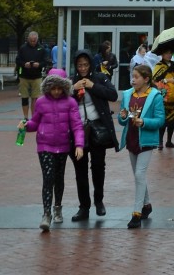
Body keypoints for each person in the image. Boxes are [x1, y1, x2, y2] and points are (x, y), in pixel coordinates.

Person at [19, 67, 85, 231]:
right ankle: (46, 214)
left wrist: (79, 145)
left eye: (59, 88)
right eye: (53, 88)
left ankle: (58, 207)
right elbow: (35, 122)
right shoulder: (41, 102)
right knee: (48, 179)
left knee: (58, 178)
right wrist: (26, 126)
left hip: (63, 146)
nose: (56, 91)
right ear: (47, 87)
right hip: (45, 145)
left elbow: (77, 125)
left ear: (64, 88)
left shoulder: (70, 102)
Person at [69, 49, 119, 221]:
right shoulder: (71, 81)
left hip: (97, 129)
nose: (82, 68)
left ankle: (99, 201)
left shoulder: (99, 78)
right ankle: (84, 207)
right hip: (77, 131)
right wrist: (71, 90)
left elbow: (113, 95)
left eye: (85, 65)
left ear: (90, 64)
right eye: (79, 65)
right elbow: (58, 99)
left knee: (98, 167)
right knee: (80, 170)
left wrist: (92, 86)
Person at [118, 63, 165, 228]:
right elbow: (123, 118)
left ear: (146, 79)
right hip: (131, 139)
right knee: (139, 176)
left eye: (136, 77)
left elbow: (160, 120)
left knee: (139, 174)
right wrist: (124, 116)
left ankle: (136, 213)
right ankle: (147, 205)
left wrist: (144, 122)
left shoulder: (155, 96)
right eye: (132, 76)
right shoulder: (127, 95)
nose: (133, 80)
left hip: (146, 141)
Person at [151, 49, 174, 148]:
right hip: (164, 95)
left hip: (172, 96)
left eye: (170, 53)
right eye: (167, 53)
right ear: (162, 54)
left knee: (172, 119)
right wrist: (168, 80)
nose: (169, 55)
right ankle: (160, 141)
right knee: (164, 119)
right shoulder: (159, 66)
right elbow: (154, 80)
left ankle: (169, 141)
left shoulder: (173, 65)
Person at [16, 31, 48, 120]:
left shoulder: (42, 49)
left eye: (34, 40)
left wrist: (39, 64)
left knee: (35, 98)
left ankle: (34, 117)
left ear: (37, 39)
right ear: (28, 39)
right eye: (31, 40)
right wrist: (24, 64)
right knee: (24, 97)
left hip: (37, 76)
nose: (33, 42)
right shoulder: (23, 48)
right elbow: (18, 60)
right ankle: (25, 117)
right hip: (24, 76)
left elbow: (45, 62)